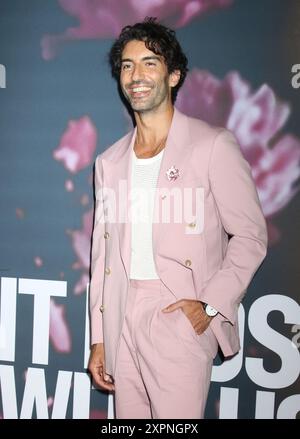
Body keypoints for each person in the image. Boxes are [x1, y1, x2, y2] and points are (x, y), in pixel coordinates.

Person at [88, 17, 268, 419]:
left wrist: (208, 306)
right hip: (121, 317)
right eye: (127, 65)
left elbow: (251, 236)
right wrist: (99, 337)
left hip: (176, 314)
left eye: (150, 63)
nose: (136, 75)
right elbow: (103, 259)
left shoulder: (212, 145)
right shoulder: (109, 161)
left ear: (174, 75)